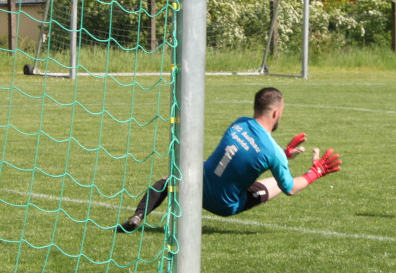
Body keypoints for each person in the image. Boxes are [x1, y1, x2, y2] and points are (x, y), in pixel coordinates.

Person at [117, 87, 341, 232]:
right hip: (224, 204)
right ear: (275, 113)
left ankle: (138, 216)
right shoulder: (272, 151)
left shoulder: (239, 123)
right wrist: (316, 172)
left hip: (197, 189)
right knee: (278, 184)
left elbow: (246, 156)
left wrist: (283, 154)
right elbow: (290, 187)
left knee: (169, 178)